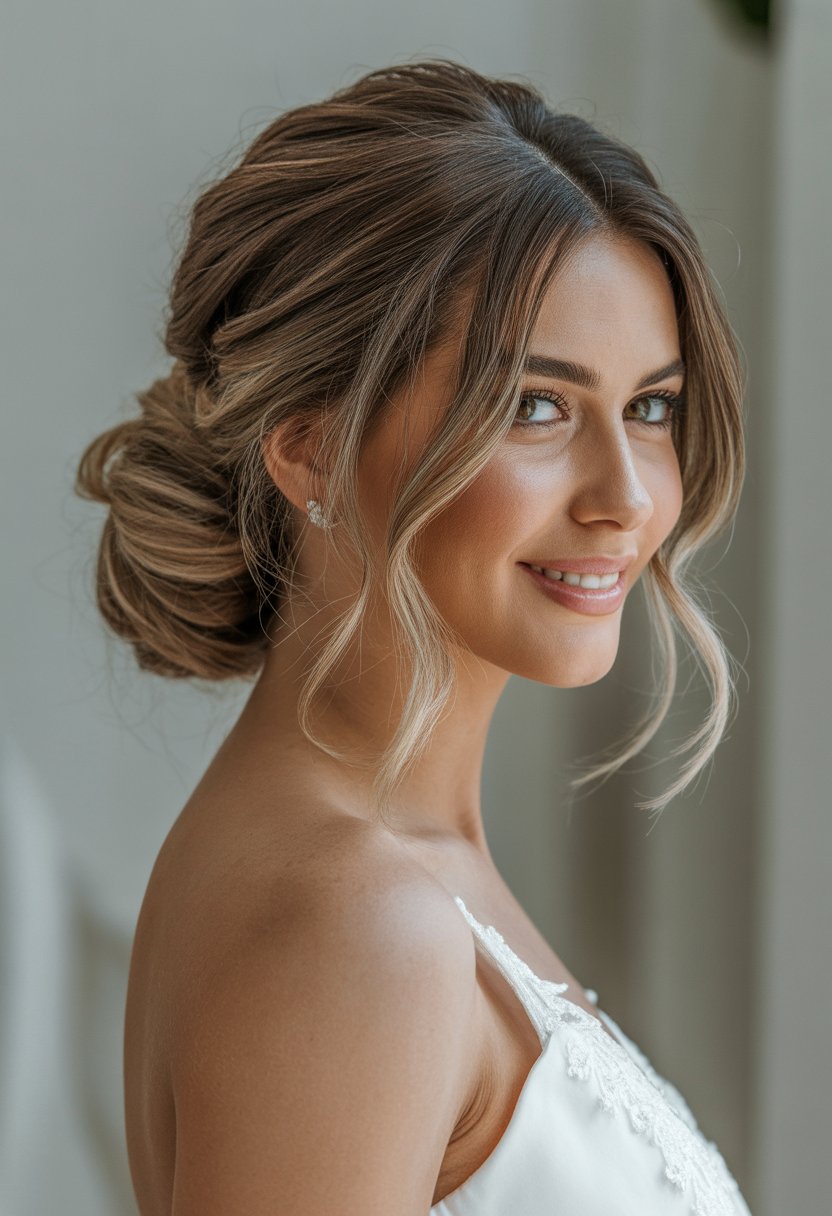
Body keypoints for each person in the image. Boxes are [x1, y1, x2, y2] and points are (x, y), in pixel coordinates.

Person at [75, 59, 751, 1215]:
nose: (628, 497)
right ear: (310, 447)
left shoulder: (372, 867)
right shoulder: (356, 920)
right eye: (535, 406)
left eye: (649, 407)